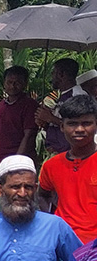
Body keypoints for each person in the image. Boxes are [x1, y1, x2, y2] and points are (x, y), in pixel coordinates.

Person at [40, 93, 97, 244]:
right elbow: (42, 195)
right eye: (72, 124)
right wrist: (51, 221)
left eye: (86, 123)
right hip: (62, 243)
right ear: (62, 127)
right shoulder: (51, 165)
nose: (79, 129)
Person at [0, 66, 39, 179]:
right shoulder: (0, 105)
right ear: (4, 83)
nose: (13, 86)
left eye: (17, 83)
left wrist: (16, 162)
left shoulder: (29, 105)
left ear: (25, 84)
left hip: (19, 165)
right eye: (9, 82)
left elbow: (29, 135)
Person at [35, 58, 87, 156]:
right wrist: (45, 123)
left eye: (53, 72)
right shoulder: (63, 96)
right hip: (57, 153)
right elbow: (60, 125)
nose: (51, 76)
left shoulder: (77, 96)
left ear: (61, 74)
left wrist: (50, 118)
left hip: (71, 154)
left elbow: (78, 126)